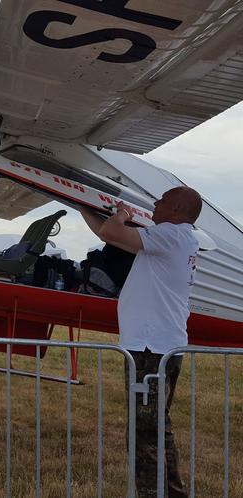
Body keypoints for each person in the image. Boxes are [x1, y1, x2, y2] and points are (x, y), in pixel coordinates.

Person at [80, 186, 202, 498]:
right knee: (156, 427)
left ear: (175, 209)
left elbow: (112, 230)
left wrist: (123, 214)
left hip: (150, 349)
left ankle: (153, 492)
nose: (155, 204)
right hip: (159, 345)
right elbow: (110, 235)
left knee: (145, 431)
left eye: (160, 201)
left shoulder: (170, 236)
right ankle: (170, 491)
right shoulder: (178, 238)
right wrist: (82, 208)